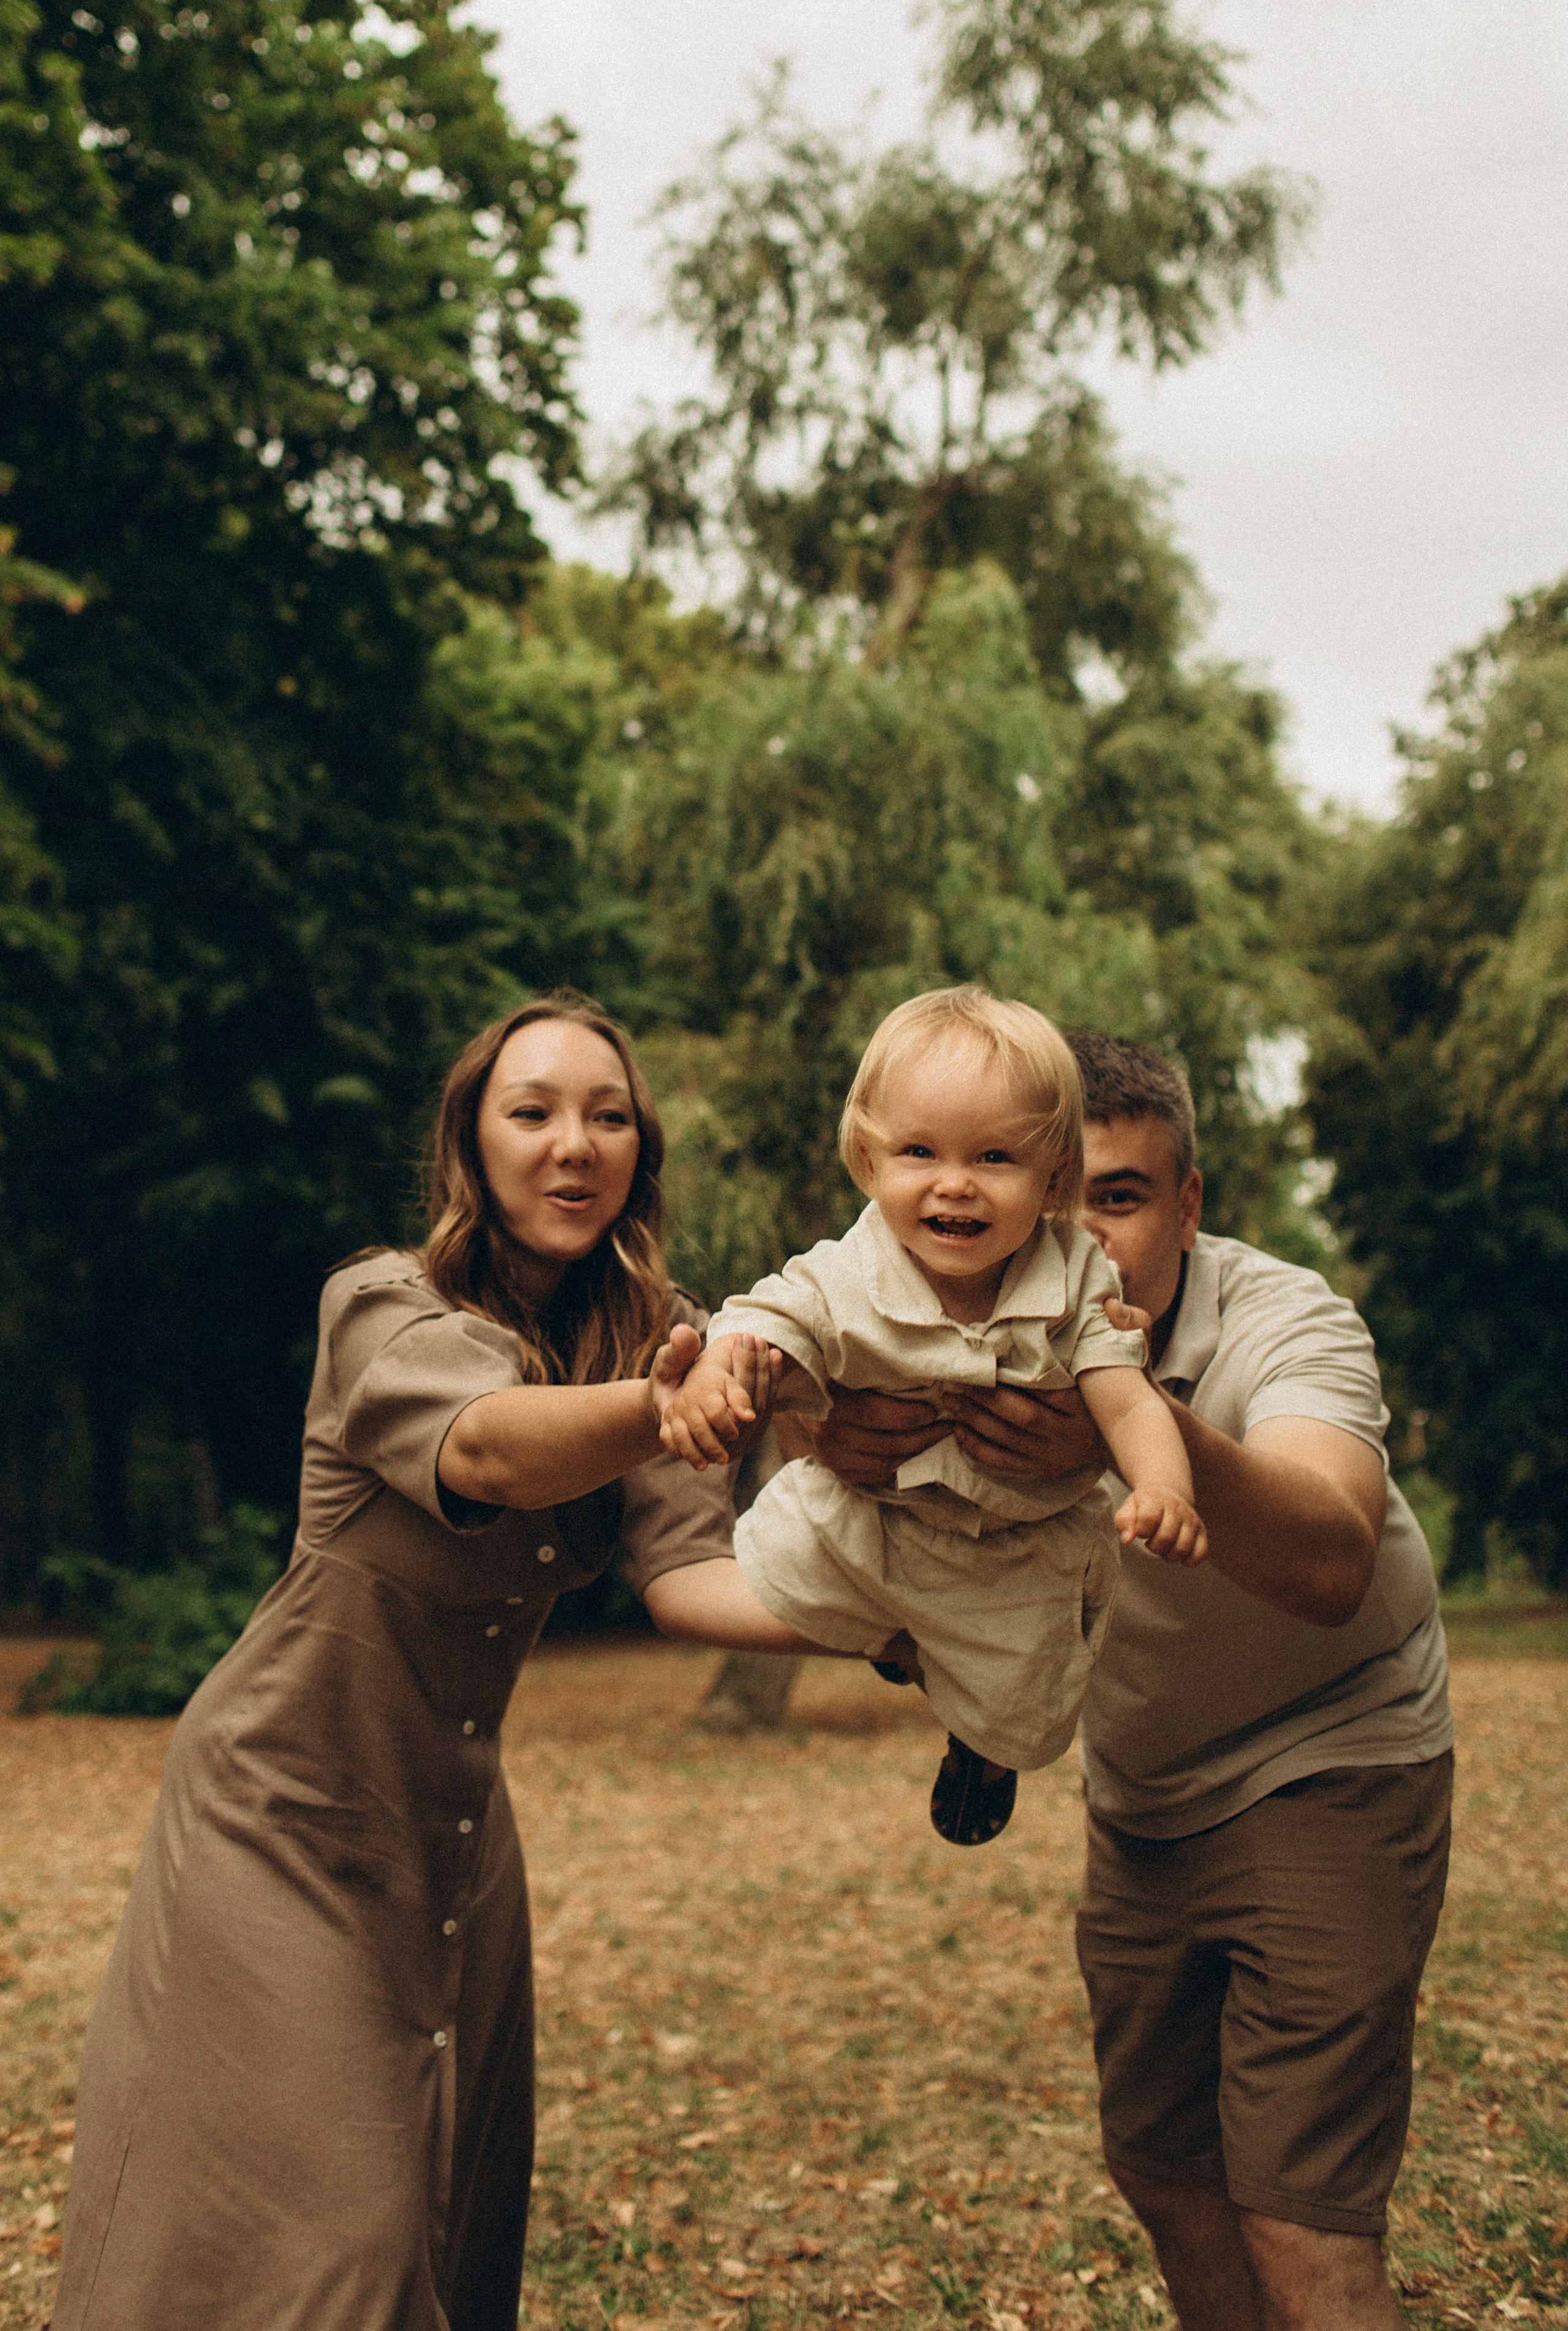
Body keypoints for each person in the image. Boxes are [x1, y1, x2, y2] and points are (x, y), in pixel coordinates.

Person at [54, 991, 807, 2331]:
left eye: (608, 1117)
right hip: (279, 1811)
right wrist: (659, 1408)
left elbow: (690, 1579)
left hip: (453, 1837)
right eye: (533, 1112)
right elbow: (489, 1449)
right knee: (348, 2233)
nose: (573, 1144)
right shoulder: (383, 1306)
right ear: (471, 1142)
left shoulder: (662, 1336)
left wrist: (892, 1618)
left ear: (640, 1151)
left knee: (448, 2215)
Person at [800, 1030, 1452, 2331]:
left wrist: (1121, 1426)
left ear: (1188, 1204)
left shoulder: (1284, 1319)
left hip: (1328, 1755)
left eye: (1120, 1196)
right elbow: (885, 1555)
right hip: (1143, 1789)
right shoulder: (947, 1321)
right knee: (1163, 2165)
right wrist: (835, 1449)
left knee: (1299, 2212)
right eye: (1053, 1194)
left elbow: (1332, 1559)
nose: (1079, 1236)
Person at [658, 987, 1205, 1847]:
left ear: (1054, 1180)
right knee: (751, 1586)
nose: (955, 1183)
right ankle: (897, 1636)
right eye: (919, 1151)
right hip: (869, 1518)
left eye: (995, 1157)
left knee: (1026, 1707)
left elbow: (1127, 1397)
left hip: (1012, 1544)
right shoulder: (844, 1272)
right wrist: (716, 1381)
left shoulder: (1075, 1281)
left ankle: (981, 1749)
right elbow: (763, 1327)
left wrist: (1165, 1485)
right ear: (868, 1161)